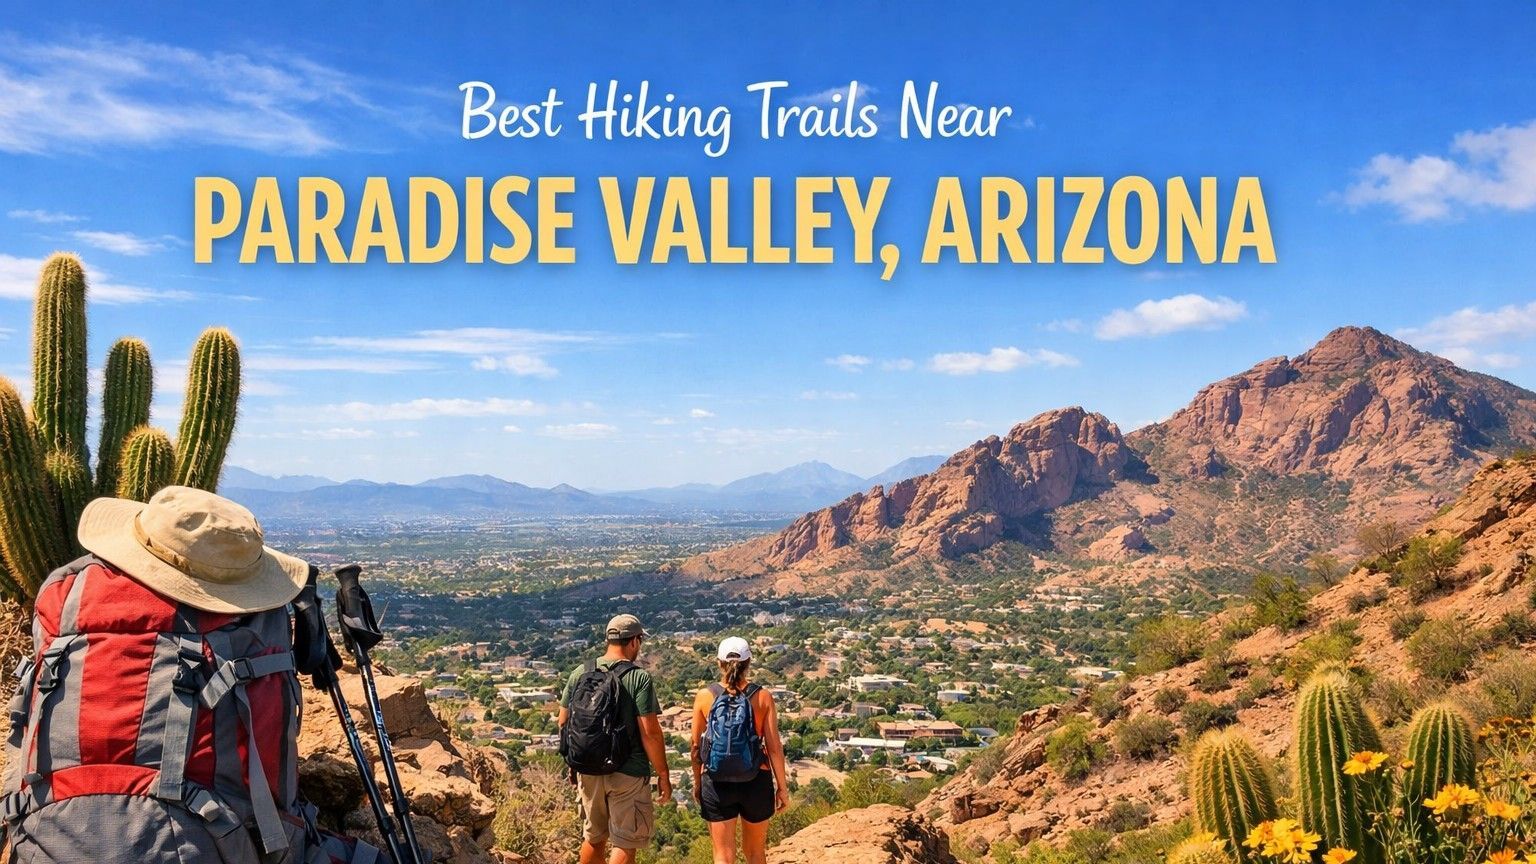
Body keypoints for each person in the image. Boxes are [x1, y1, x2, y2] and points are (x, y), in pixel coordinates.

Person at [558, 614, 672, 864]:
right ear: (634, 641)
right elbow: (650, 733)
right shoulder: (638, 678)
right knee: (624, 843)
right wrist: (663, 775)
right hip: (628, 771)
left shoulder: (581, 672)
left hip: (589, 769)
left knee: (594, 837)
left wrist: (573, 762)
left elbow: (564, 722)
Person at [691, 636, 790, 864]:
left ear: (718, 663)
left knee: (723, 856)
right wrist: (782, 789)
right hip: (756, 778)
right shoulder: (763, 697)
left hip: (716, 782)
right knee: (755, 853)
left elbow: (696, 748)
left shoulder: (705, 696)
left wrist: (698, 783)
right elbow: (774, 748)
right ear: (748, 663)